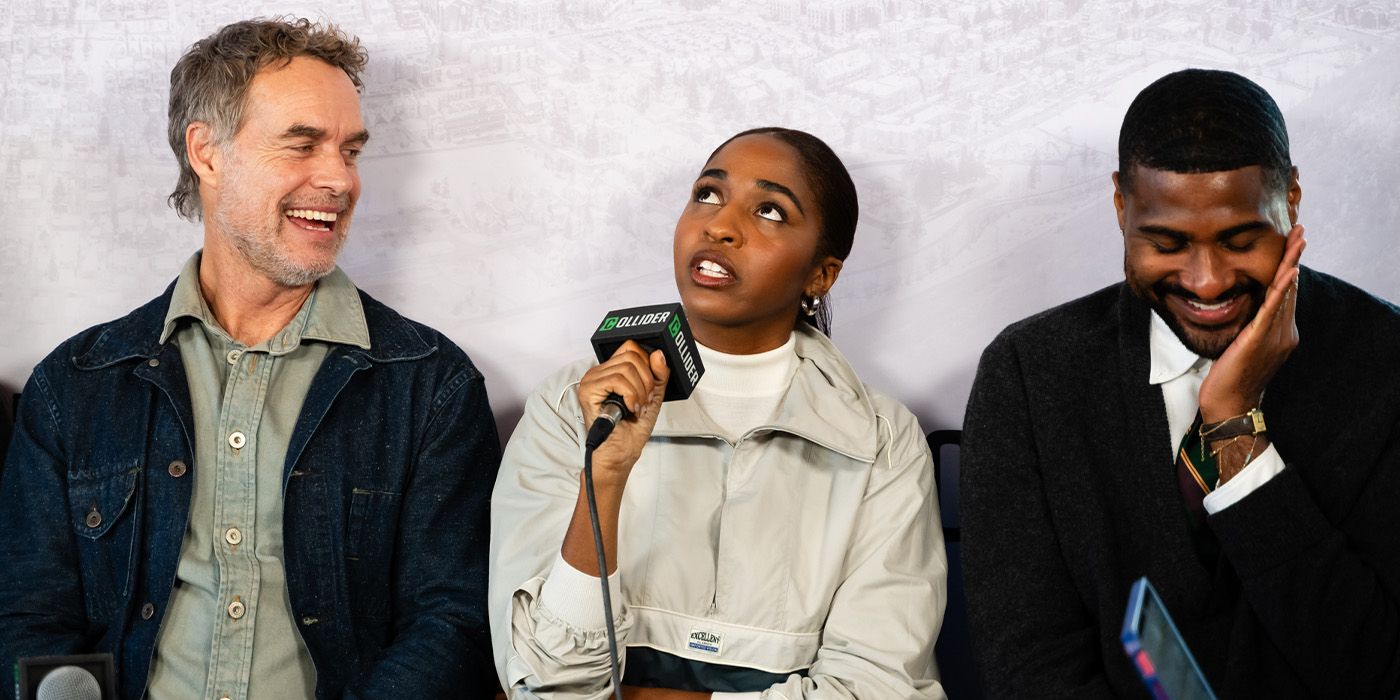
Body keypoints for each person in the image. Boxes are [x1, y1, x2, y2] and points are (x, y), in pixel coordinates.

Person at [0, 18, 500, 699]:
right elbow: (29, 619)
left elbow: (452, 624)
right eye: (302, 144)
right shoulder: (75, 385)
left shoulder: (429, 384)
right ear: (206, 152)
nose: (340, 180)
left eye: (350, 151)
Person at [961, 68, 1400, 697]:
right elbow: (1030, 665)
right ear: (1121, 205)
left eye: (1240, 239)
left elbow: (1372, 669)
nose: (1207, 281)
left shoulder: (1386, 362)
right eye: (1166, 242)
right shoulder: (1030, 374)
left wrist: (1233, 430)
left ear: (1292, 197)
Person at [490, 128, 946, 699]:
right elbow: (540, 684)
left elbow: (879, 687)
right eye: (708, 193)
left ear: (821, 275)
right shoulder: (568, 406)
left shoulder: (882, 440)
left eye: (771, 211)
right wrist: (603, 478)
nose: (720, 225)